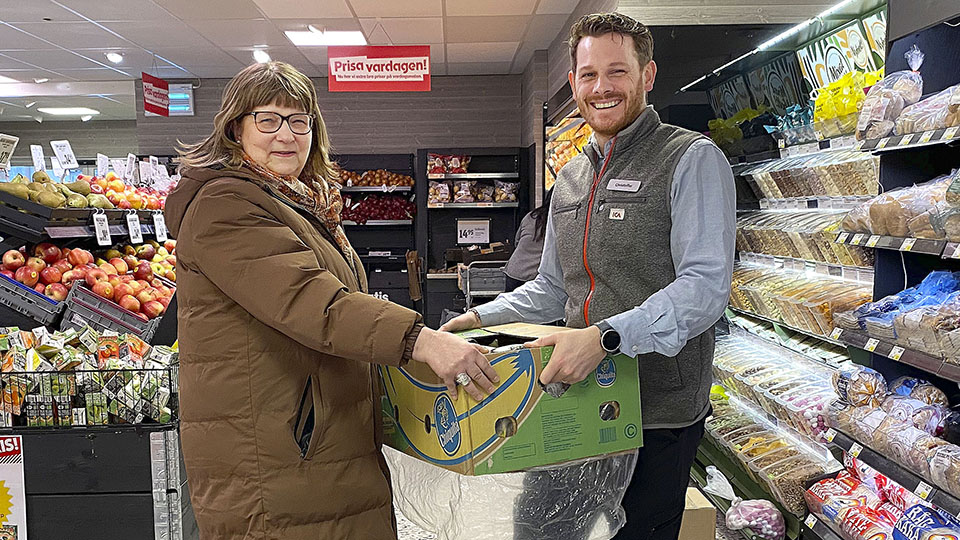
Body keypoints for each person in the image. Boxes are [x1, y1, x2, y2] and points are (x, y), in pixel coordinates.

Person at [165, 61, 498, 540]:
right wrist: (418, 341)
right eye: (269, 119)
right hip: (278, 457)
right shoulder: (225, 207)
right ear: (236, 127)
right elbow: (315, 303)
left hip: (311, 443)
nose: (287, 134)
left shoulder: (295, 203)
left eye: (299, 120)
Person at [442, 12, 736, 540]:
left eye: (617, 72)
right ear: (574, 81)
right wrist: (477, 318)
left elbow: (704, 289)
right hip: (575, 400)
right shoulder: (574, 175)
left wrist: (606, 338)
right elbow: (553, 288)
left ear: (647, 75)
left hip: (656, 413)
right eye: (588, 74)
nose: (601, 88)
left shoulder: (690, 159)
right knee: (539, 527)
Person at [503, 188, 553, 292]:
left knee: (512, 306)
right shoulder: (558, 221)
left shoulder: (532, 216)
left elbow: (517, 241)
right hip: (535, 277)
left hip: (514, 271)